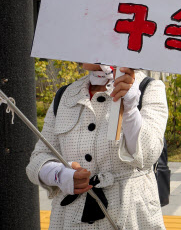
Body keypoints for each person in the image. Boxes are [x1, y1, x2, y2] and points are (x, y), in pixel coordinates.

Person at [26, 64, 168, 229]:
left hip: (130, 215)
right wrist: (60, 175)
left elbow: (149, 154)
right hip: (72, 219)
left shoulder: (147, 88)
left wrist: (130, 108)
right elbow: (38, 160)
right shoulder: (65, 95)